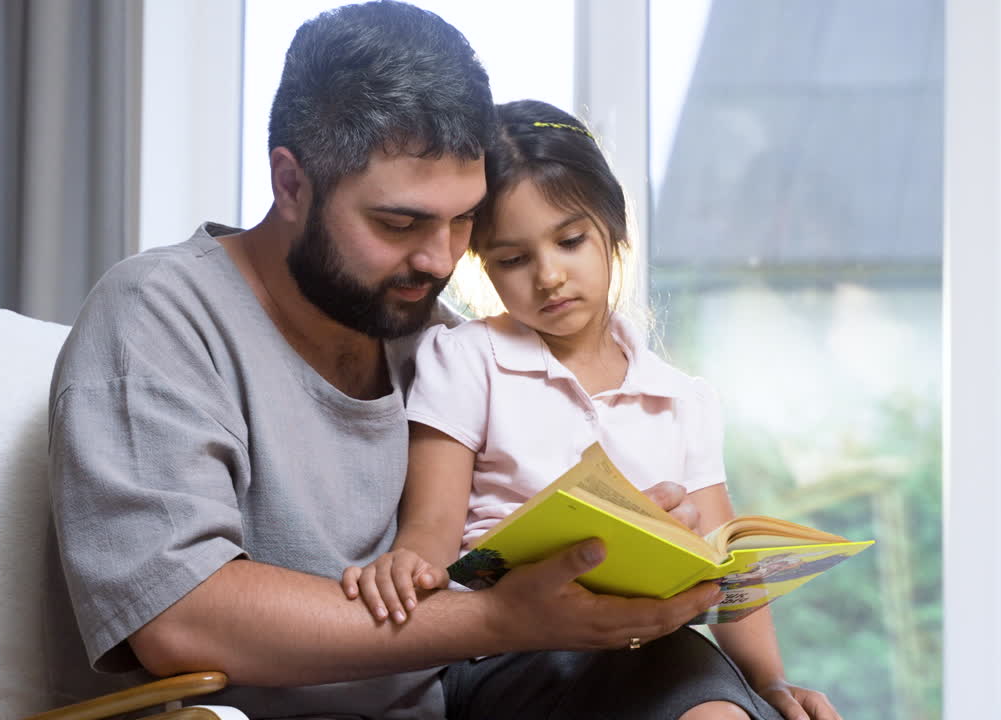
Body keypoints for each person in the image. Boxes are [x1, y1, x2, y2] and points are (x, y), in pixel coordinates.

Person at [48, 2, 777, 718]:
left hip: (472, 695)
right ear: (291, 183)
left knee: (693, 681)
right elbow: (180, 618)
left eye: (463, 220)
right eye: (399, 223)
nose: (438, 259)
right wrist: (507, 620)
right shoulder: (159, 313)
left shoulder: (434, 334)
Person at [338, 99, 842, 720]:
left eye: (570, 241)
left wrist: (773, 682)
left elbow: (728, 572)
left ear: (615, 230)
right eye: (513, 259)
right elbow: (430, 531)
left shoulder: (682, 399)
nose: (548, 276)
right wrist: (405, 567)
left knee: (717, 702)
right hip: (513, 653)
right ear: (483, 265)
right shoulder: (467, 360)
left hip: (647, 642)